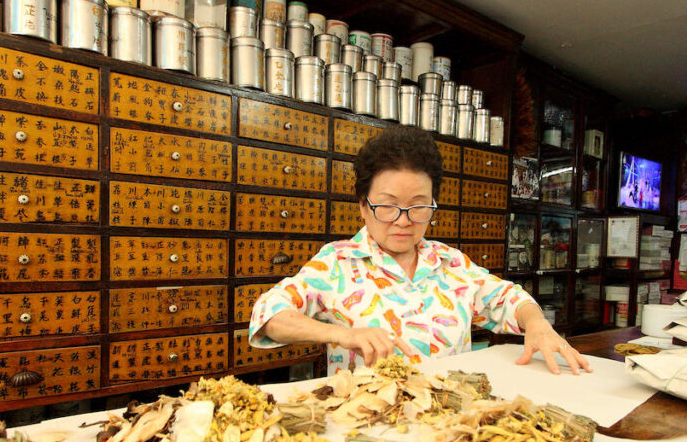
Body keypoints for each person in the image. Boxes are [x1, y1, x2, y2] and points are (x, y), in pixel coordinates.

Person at [249, 125, 591, 376]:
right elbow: (269, 316)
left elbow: (507, 298)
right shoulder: (337, 263)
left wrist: (537, 324)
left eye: (418, 206)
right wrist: (344, 334)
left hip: (450, 424)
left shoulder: (450, 263)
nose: (403, 221)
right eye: (387, 206)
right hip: (367, 431)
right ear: (363, 207)